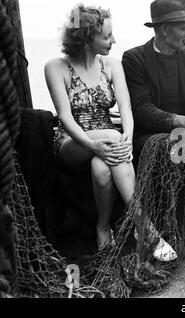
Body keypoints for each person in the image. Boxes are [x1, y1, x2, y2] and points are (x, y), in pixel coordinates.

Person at [45, 4, 176, 261]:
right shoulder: (55, 67)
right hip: (71, 141)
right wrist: (96, 144)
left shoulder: (112, 65)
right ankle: (144, 227)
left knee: (102, 168)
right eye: (106, 36)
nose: (113, 40)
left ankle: (103, 228)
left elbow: (126, 108)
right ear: (85, 37)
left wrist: (127, 135)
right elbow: (65, 117)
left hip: (106, 138)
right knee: (111, 138)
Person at [122, 0, 185, 258]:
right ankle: (164, 224)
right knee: (168, 144)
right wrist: (183, 121)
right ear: (164, 29)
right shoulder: (134, 59)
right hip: (149, 136)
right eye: (183, 27)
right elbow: (142, 109)